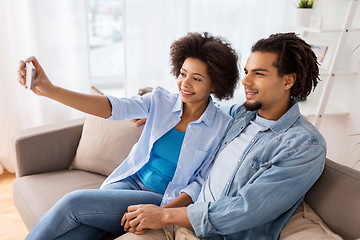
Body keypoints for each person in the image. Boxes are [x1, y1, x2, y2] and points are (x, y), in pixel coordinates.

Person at [17, 32, 239, 239]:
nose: (185, 83)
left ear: (215, 84)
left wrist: (161, 213)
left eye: (197, 78)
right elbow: (114, 107)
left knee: (72, 203)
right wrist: (50, 89)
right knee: (78, 235)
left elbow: (200, 182)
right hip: (126, 182)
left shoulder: (221, 127)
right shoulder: (161, 100)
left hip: (159, 198)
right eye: (182, 73)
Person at [118, 32, 327, 240]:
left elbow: (247, 208)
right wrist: (164, 115)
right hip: (178, 224)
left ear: (288, 81)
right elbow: (203, 110)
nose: (245, 80)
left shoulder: (305, 145)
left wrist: (165, 215)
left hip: (212, 234)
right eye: (246, 72)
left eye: (259, 74)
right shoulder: (240, 114)